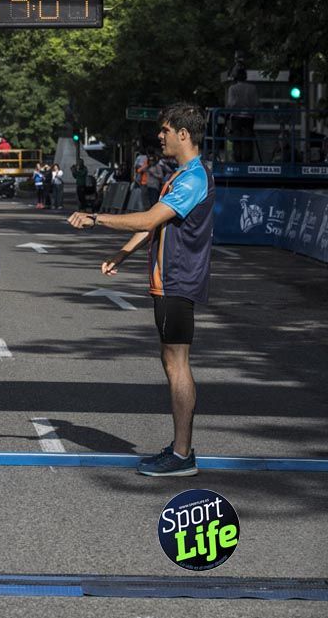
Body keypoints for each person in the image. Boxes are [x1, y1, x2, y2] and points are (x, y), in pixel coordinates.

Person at [67, 103, 214, 477]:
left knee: (177, 364)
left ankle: (182, 455)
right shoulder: (182, 176)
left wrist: (96, 218)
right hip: (171, 280)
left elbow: (149, 218)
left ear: (183, 134)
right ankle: (181, 450)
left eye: (165, 130)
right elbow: (156, 225)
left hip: (177, 280)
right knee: (172, 362)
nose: (159, 137)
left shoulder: (193, 177)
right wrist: (123, 253)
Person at [225, 66, 258, 162]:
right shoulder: (252, 88)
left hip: (236, 117)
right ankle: (247, 159)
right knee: (248, 139)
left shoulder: (233, 88)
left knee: (237, 140)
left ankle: (238, 159)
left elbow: (231, 103)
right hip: (249, 117)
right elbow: (256, 103)